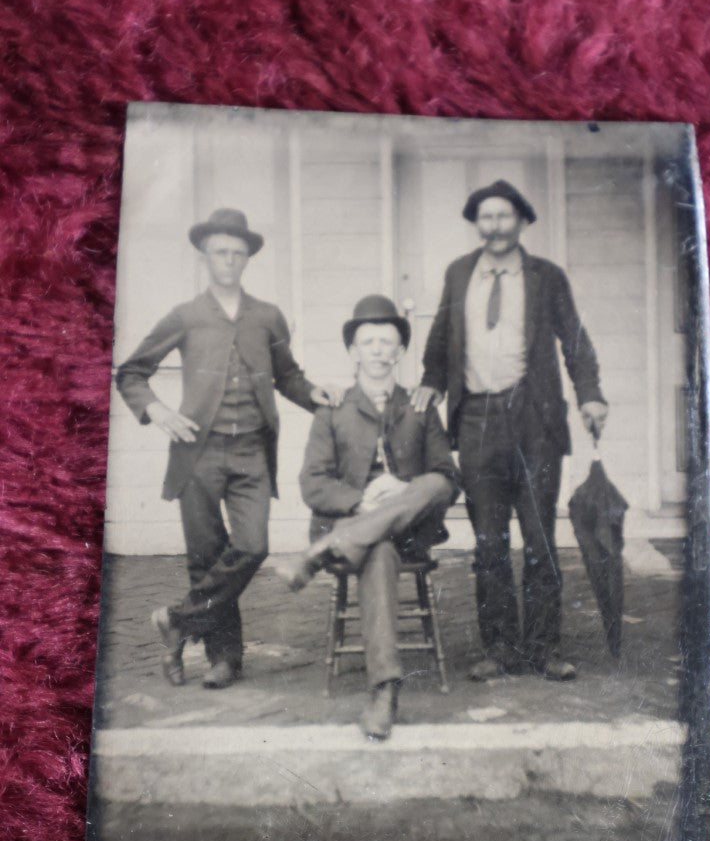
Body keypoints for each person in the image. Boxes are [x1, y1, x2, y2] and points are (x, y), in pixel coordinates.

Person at [116, 208, 342, 689]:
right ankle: (224, 660)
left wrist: (313, 395)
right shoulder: (186, 315)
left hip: (251, 452)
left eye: (238, 254)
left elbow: (288, 377)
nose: (229, 261)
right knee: (206, 558)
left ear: (247, 259)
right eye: (221, 252)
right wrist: (157, 412)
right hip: (197, 452)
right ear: (205, 255)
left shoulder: (267, 316)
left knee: (251, 545)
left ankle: (177, 621)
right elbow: (131, 372)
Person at [412, 180, 608, 683]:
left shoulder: (546, 277)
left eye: (503, 216)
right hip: (476, 419)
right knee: (490, 543)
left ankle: (544, 648)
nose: (494, 226)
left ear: (521, 222)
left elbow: (576, 340)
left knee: (539, 539)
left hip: (534, 420)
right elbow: (439, 337)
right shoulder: (459, 274)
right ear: (477, 224)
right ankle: (498, 649)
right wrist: (431, 384)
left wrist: (589, 393)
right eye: (486, 217)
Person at [277, 295, 459, 741]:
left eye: (387, 342)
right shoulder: (333, 407)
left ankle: (320, 554)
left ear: (399, 352)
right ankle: (384, 689)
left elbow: (447, 479)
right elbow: (312, 484)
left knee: (435, 484)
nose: (378, 350)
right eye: (368, 342)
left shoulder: (420, 405)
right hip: (353, 526)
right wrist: (361, 503)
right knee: (376, 550)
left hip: (410, 530)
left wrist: (402, 489)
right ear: (353, 351)